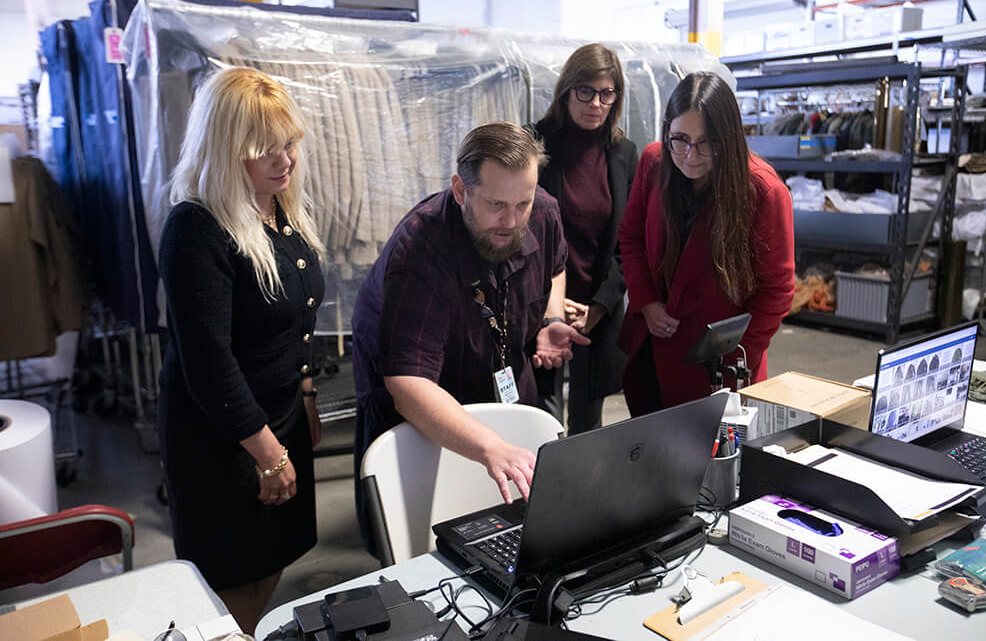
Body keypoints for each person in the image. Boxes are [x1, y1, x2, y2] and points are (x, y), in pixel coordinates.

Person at [352, 122, 589, 552]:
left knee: (515, 520)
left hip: (502, 368)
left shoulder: (544, 211)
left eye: (523, 203)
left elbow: (555, 267)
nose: (512, 221)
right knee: (434, 533)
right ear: (461, 190)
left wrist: (549, 319)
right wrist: (490, 446)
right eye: (496, 204)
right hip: (425, 400)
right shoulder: (420, 248)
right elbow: (408, 384)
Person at [157, 67, 325, 632]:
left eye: (290, 143)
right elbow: (208, 363)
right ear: (227, 149)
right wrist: (268, 454)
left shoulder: (279, 211)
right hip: (224, 438)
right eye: (266, 149)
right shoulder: (197, 229)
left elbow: (296, 321)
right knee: (229, 580)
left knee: (270, 561)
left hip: (278, 418)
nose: (286, 160)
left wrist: (305, 396)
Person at [618, 71, 794, 414]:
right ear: (667, 129)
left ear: (727, 137)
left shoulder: (763, 191)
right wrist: (646, 301)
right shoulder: (655, 162)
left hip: (719, 367)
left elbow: (778, 290)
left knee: (713, 460)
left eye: (707, 142)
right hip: (654, 348)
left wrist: (734, 356)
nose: (690, 155)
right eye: (680, 139)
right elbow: (631, 237)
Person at [528, 43, 638, 434]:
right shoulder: (534, 144)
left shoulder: (624, 153)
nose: (596, 103)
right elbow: (519, 231)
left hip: (598, 309)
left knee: (588, 424)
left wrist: (599, 307)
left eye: (607, 93)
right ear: (566, 90)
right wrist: (551, 305)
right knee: (541, 419)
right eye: (586, 91)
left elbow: (629, 242)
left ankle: (580, 495)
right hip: (539, 304)